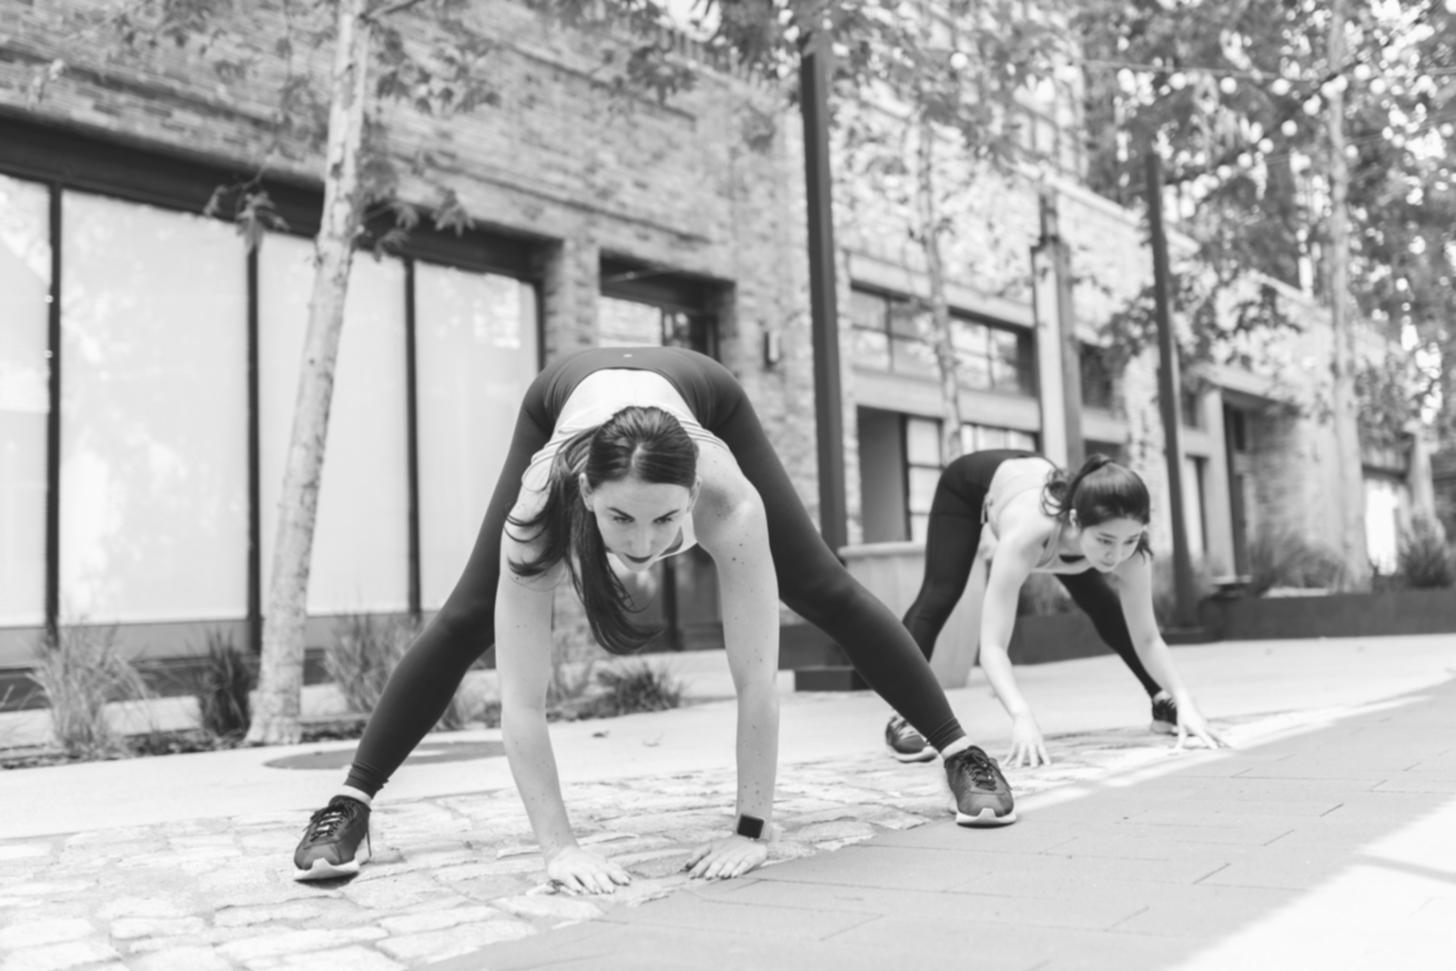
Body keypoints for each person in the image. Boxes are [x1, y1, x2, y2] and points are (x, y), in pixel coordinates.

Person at [293, 346, 1017, 892]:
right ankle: (350, 803)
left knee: (822, 585)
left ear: (694, 490)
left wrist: (751, 828)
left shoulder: (729, 498)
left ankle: (959, 753)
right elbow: (522, 700)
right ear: (585, 489)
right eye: (620, 519)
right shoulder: (541, 503)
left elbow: (756, 678)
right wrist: (559, 848)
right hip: (564, 391)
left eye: (666, 518)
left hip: (700, 388)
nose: (643, 546)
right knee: (466, 616)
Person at [882, 449, 1228, 768]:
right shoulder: (1026, 538)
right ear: (1076, 522)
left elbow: (1149, 638)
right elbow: (992, 646)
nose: (1116, 555)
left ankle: (1161, 700)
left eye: (1130, 540)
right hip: (969, 484)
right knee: (940, 594)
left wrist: (1184, 699)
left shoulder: (1130, 553)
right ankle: (902, 716)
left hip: (1035, 478)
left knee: (1102, 603)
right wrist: (1021, 715)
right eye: (1105, 541)